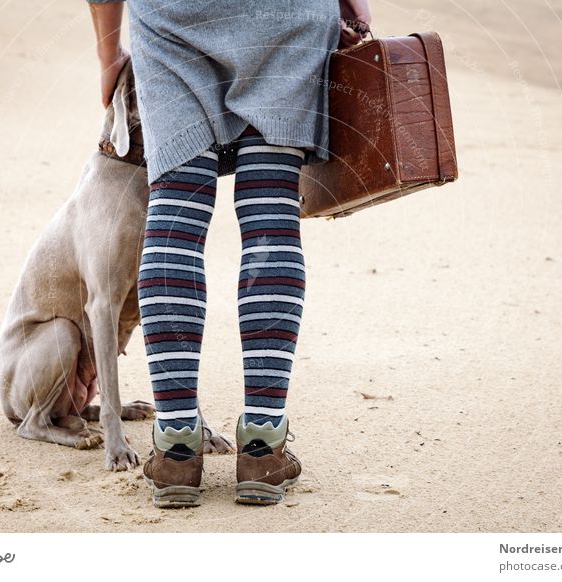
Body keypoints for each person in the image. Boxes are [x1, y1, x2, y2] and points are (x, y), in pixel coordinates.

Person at [86, 0, 372, 507]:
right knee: (270, 218)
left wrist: (109, 54)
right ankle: (263, 447)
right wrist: (355, 11)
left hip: (173, 18)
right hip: (287, 18)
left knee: (174, 219)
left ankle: (175, 448)